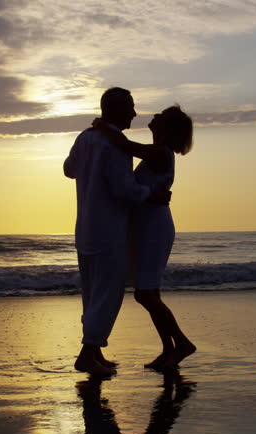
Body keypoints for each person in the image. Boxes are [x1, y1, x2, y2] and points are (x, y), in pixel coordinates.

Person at [63, 87, 170, 377]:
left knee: (91, 293)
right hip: (109, 229)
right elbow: (125, 190)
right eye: (131, 108)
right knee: (107, 295)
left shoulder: (85, 137)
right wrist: (152, 194)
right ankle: (87, 355)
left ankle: (95, 352)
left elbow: (68, 170)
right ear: (116, 110)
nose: (135, 114)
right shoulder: (116, 145)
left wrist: (89, 168)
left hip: (84, 227)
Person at [93, 105, 196, 370]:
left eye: (161, 116)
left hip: (154, 227)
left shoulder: (160, 153)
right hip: (148, 225)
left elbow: (126, 146)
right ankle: (168, 350)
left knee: (146, 294)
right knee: (149, 293)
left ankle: (182, 344)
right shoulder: (158, 153)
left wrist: (104, 127)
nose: (154, 117)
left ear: (167, 128)